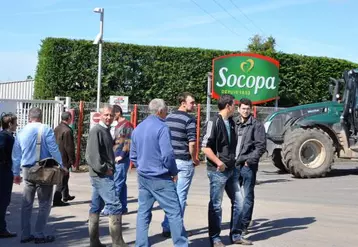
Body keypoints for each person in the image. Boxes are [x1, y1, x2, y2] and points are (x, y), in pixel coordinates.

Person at [130, 99, 188, 247]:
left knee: (143, 212)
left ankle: (141, 244)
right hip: (160, 177)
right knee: (174, 212)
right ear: (160, 111)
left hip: (143, 176)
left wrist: (142, 166)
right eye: (166, 110)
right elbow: (167, 155)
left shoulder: (138, 128)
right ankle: (181, 244)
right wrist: (173, 172)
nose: (167, 112)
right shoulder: (162, 128)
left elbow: (133, 155)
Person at [201, 94, 251, 247]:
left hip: (232, 169)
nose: (236, 108)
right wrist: (219, 162)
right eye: (234, 105)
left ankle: (236, 235)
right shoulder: (213, 122)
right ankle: (215, 238)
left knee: (240, 202)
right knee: (216, 205)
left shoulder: (231, 122)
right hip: (218, 171)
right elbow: (205, 147)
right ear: (228, 106)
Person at [12, 107, 68, 244]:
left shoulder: (21, 132)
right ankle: (39, 234)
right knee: (44, 203)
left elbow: (16, 155)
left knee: (27, 203)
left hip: (27, 169)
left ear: (29, 117)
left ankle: (25, 234)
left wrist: (15, 173)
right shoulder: (46, 129)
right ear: (41, 117)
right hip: (44, 169)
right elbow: (53, 148)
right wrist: (61, 165)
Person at [85, 105, 127, 247]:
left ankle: (94, 242)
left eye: (111, 115)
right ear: (101, 115)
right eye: (106, 115)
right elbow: (91, 155)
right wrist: (105, 169)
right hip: (101, 175)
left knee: (96, 207)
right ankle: (118, 243)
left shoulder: (105, 130)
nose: (108, 117)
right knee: (115, 205)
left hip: (102, 174)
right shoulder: (96, 130)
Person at [161, 92, 199, 237]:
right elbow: (192, 142)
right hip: (183, 160)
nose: (194, 105)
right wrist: (195, 158)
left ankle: (167, 226)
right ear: (183, 103)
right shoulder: (189, 119)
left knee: (171, 196)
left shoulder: (168, 117)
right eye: (192, 102)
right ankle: (176, 229)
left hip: (169, 161)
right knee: (181, 196)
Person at [235, 98, 266, 235]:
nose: (245, 111)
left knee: (247, 196)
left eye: (248, 109)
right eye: (243, 108)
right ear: (238, 109)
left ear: (251, 109)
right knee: (236, 196)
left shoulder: (257, 125)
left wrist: (249, 161)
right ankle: (235, 223)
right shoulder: (233, 123)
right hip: (234, 165)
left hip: (248, 166)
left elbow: (260, 147)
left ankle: (244, 224)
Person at [109, 105, 133, 215]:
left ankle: (113, 208)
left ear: (118, 113)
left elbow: (128, 141)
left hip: (121, 158)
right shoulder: (118, 125)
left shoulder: (127, 125)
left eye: (112, 114)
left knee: (117, 183)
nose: (111, 116)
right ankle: (123, 207)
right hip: (116, 156)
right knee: (121, 183)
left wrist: (122, 155)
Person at [53, 111, 76, 207]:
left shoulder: (57, 128)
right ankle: (57, 200)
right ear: (69, 119)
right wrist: (73, 160)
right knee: (62, 178)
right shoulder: (67, 130)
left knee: (65, 177)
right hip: (64, 157)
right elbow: (69, 147)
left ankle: (65, 195)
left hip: (57, 156)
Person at [0, 113, 17, 238]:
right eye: (15, 123)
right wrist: (5, 162)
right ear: (10, 124)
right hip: (4, 172)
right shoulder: (7, 137)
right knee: (3, 200)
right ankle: (1, 229)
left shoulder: (4, 136)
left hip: (4, 169)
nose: (17, 125)